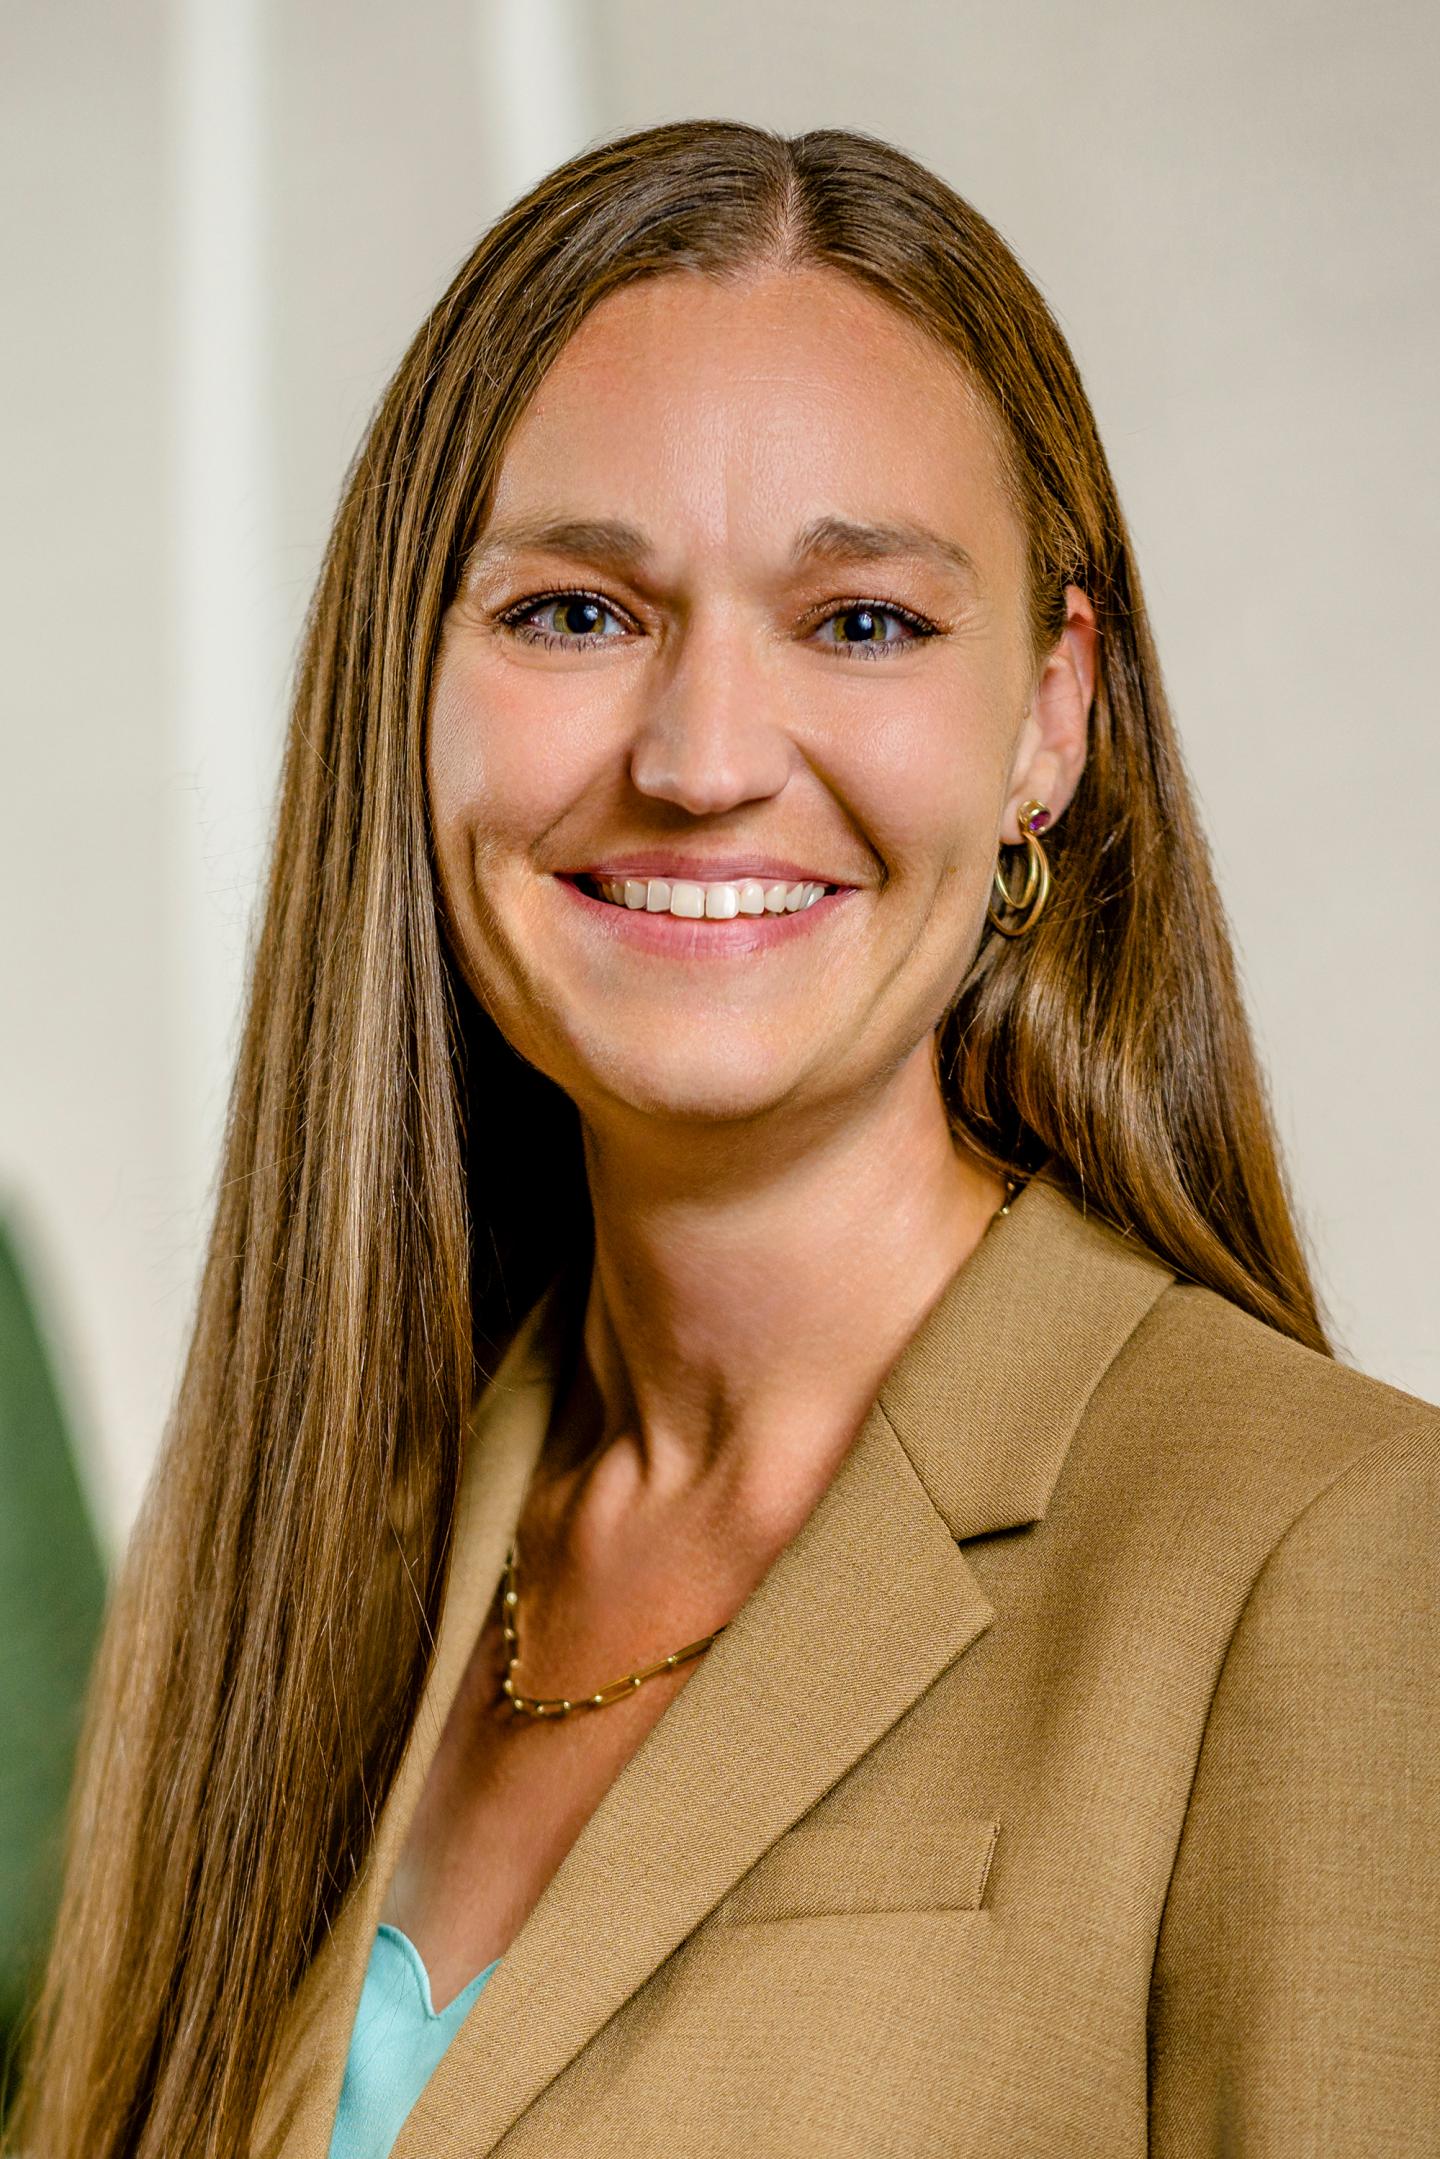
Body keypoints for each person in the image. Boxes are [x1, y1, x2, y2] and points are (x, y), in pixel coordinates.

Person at [10, 118, 1438, 2159]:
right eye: (576, 613)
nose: (698, 762)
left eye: (860, 623)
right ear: (407, 685)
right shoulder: (294, 1566)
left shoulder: (1334, 1559)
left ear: (1052, 716)